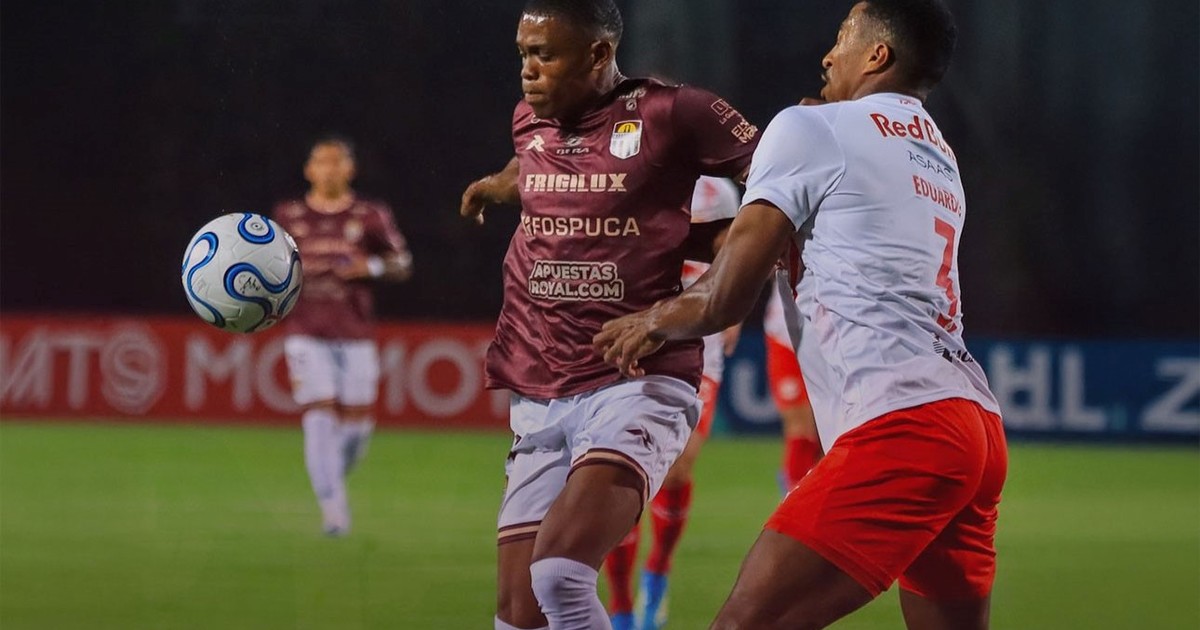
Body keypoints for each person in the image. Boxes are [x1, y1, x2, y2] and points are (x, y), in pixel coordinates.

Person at [593, 1, 1008, 628]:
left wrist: (649, 323)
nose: (827, 56)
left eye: (843, 38)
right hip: (974, 424)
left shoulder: (813, 128)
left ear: (877, 55)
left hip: (901, 424)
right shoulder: (938, 156)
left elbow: (725, 295)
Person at [458, 0, 759, 627]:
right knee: (517, 614)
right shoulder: (530, 119)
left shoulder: (672, 112)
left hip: (636, 379)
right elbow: (533, 164)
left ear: (598, 53)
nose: (528, 70)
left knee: (559, 576)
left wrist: (712, 284)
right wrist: (500, 184)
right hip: (540, 382)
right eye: (524, 54)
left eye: (545, 55)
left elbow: (780, 183)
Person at [602, 176, 743, 630]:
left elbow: (738, 251)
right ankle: (621, 609)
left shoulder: (719, 191)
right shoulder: (639, 174)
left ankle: (658, 571)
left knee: (679, 468)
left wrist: (735, 309)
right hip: (638, 330)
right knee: (620, 476)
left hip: (700, 341)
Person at [272, 136, 413, 537]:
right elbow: (268, 265)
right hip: (304, 330)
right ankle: (334, 511)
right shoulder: (288, 215)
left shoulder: (370, 214)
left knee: (356, 430)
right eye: (322, 162)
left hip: (354, 333)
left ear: (350, 169)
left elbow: (403, 263)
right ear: (309, 170)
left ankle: (330, 481)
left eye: (337, 162)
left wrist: (371, 267)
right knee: (318, 414)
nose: (330, 169)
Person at [763, 285, 822, 492]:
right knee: (800, 429)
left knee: (829, 435)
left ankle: (814, 497)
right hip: (784, 334)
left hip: (828, 335)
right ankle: (792, 496)